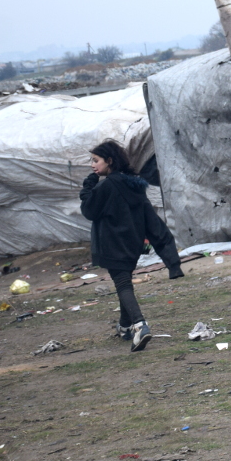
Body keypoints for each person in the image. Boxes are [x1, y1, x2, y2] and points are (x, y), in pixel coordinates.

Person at [80, 140, 184, 352]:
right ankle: (125, 326)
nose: (93, 165)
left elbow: (89, 210)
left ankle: (140, 325)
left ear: (109, 161)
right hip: (131, 245)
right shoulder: (134, 186)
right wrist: (172, 262)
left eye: (96, 160)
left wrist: (88, 187)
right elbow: (154, 223)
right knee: (124, 281)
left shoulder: (106, 186)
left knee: (122, 284)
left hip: (111, 245)